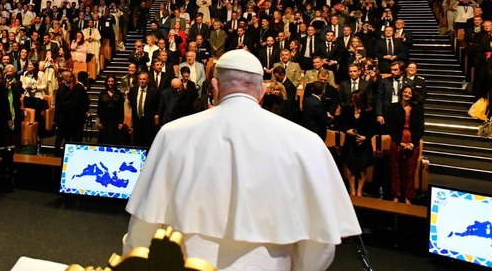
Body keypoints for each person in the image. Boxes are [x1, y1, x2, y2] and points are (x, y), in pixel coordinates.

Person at [124, 49, 360, 270]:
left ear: (215, 86)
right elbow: (321, 244)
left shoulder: (173, 134)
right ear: (263, 91)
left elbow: (143, 227)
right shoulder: (306, 142)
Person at [387, 85, 425, 204]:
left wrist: (413, 144)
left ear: (412, 95)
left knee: (410, 171)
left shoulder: (418, 108)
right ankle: (396, 195)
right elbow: (390, 125)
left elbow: (421, 128)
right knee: (395, 169)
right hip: (397, 141)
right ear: (401, 93)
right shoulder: (393, 107)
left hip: (412, 141)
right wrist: (399, 142)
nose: (407, 94)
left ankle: (408, 196)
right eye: (405, 92)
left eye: (409, 93)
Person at [336, 90, 377, 197]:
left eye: (355, 99)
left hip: (363, 143)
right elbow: (340, 123)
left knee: (362, 167)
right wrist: (346, 130)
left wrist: (366, 137)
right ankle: (352, 189)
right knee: (350, 165)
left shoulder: (370, 111)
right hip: (350, 142)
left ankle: (359, 190)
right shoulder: (347, 109)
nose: (352, 101)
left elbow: (374, 128)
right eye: (352, 98)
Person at [54, 71, 90, 155]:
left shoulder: (65, 87)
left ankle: (61, 153)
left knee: (63, 136)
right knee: (61, 137)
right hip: (62, 118)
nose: (71, 78)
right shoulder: (63, 88)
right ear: (65, 78)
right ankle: (57, 154)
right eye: (70, 77)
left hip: (64, 117)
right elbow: (64, 103)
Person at [128, 71, 160, 147]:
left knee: (147, 142)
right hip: (136, 120)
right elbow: (132, 103)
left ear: (148, 80)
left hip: (148, 121)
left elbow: (157, 105)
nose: (142, 81)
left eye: (144, 79)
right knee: (136, 141)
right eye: (140, 79)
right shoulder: (133, 90)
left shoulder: (153, 91)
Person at [97, 74, 128, 145]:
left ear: (115, 82)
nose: (110, 83)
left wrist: (121, 122)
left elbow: (121, 109)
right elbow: (99, 108)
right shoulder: (102, 93)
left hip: (115, 121)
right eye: (109, 81)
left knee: (115, 141)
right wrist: (99, 122)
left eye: (112, 81)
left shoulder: (119, 93)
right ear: (106, 82)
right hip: (104, 121)